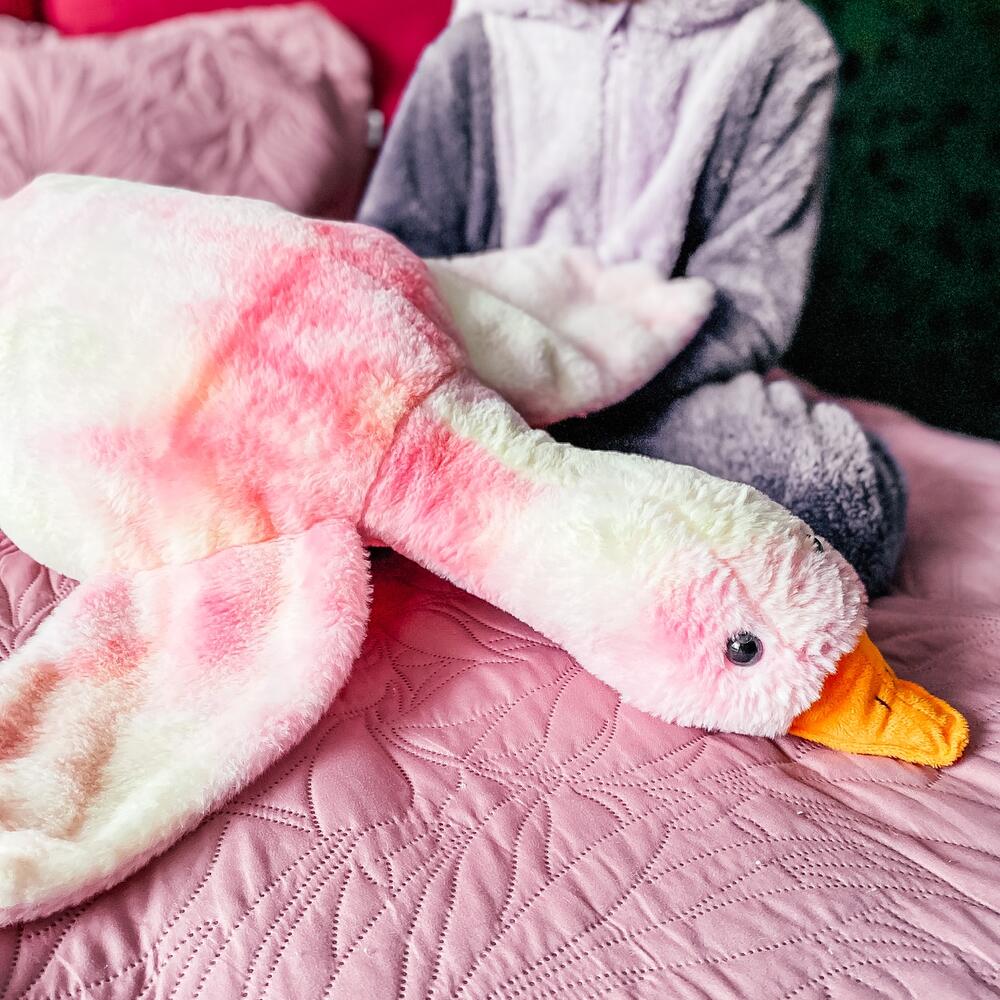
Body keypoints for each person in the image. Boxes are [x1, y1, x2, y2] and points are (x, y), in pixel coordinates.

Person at [358, 0, 907, 595]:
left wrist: (603, 380)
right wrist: (504, 388)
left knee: (840, 502)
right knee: (346, 457)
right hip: (487, 390)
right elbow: (396, 270)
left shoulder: (780, 42)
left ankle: (536, 505)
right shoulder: (476, 43)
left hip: (669, 394)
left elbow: (751, 301)